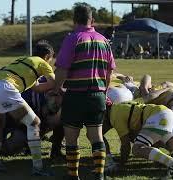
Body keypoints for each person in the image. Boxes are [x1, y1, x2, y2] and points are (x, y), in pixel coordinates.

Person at [54, 4, 116, 180]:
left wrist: (56, 89)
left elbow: (62, 69)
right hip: (97, 95)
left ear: (74, 21)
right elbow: (110, 72)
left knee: (72, 138)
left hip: (75, 95)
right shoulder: (104, 41)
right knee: (96, 136)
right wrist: (104, 92)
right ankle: (99, 174)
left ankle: (73, 175)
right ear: (92, 20)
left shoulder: (73, 38)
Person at [0, 40, 56, 175]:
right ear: (47, 56)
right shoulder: (43, 63)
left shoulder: (24, 61)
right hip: (5, 88)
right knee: (34, 123)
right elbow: (54, 83)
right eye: (51, 59)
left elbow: (37, 88)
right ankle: (38, 168)